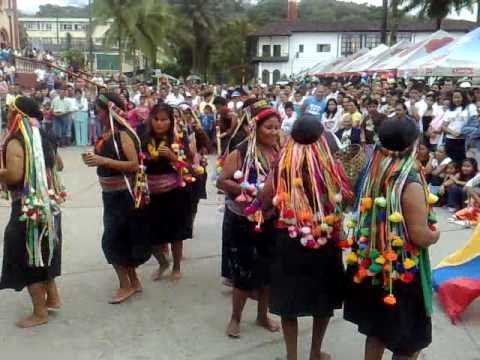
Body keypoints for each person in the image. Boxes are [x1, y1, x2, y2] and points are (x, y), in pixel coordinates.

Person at [344, 117, 440, 360]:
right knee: (408, 343)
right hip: (399, 272)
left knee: (376, 331)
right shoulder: (409, 183)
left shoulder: (372, 171)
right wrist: (434, 234)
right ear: (412, 144)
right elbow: (419, 236)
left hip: (373, 265)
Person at [261, 114, 352, 360]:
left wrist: (268, 206)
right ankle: (314, 353)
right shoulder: (331, 163)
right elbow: (346, 197)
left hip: (289, 237)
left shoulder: (283, 163)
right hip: (324, 238)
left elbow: (266, 196)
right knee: (322, 300)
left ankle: (292, 357)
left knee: (288, 301)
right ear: (321, 137)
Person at [217, 103, 281, 338]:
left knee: (267, 272)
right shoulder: (241, 152)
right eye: (269, 128)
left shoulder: (280, 152)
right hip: (242, 220)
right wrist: (249, 191)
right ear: (255, 128)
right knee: (243, 273)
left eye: (277, 127)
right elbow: (222, 181)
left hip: (271, 219)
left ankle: (263, 316)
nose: (274, 132)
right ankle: (235, 318)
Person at [0, 96, 65, 328]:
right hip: (49, 205)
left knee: (27, 254)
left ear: (19, 115)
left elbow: (15, 175)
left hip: (30, 208)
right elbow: (59, 165)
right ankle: (53, 298)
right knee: (44, 250)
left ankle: (39, 312)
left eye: (10, 111)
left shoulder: (18, 142)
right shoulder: (45, 137)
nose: (7, 115)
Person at [82, 93, 150, 304]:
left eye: (99, 111)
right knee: (121, 238)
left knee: (112, 241)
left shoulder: (123, 134)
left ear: (109, 111)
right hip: (111, 196)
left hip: (123, 195)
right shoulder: (108, 133)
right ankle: (134, 281)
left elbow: (133, 165)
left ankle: (125, 285)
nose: (97, 114)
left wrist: (102, 160)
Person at [142, 103, 193, 281]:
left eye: (164, 120)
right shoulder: (144, 138)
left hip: (174, 192)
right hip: (150, 193)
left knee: (175, 234)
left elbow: (189, 166)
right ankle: (163, 262)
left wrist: (173, 157)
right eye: (156, 119)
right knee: (150, 235)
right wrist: (147, 158)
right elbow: (137, 162)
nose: (159, 123)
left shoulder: (178, 138)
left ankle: (176, 266)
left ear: (171, 121)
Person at [442, 90, 470, 163]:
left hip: (464, 141)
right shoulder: (449, 111)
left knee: (463, 162)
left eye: (458, 97)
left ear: (463, 98)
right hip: (450, 140)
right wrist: (452, 132)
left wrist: (463, 132)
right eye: (454, 98)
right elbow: (443, 126)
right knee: (450, 162)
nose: (456, 100)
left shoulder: (469, 109)